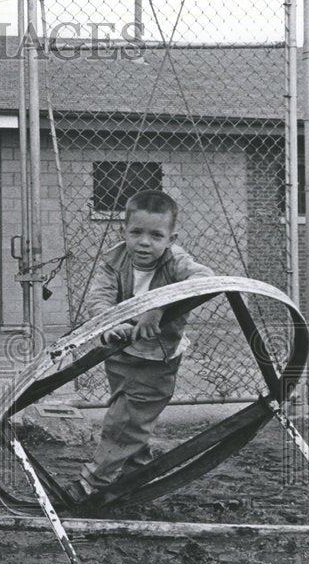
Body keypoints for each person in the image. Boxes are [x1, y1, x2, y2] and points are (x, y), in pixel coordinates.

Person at [69, 189, 214, 503]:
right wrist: (109, 323)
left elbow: (205, 279)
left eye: (156, 235)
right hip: (120, 353)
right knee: (129, 417)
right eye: (136, 232)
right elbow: (100, 297)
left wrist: (158, 306)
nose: (144, 242)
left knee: (124, 422)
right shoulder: (114, 260)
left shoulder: (176, 261)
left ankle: (94, 483)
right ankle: (137, 478)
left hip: (156, 359)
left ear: (171, 238)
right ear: (125, 231)